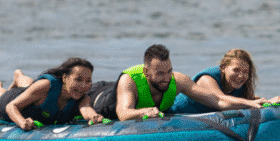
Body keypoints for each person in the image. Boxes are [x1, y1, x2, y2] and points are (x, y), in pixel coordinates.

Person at [87, 44, 267, 121]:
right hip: (101, 98)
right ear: (146, 72)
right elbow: (123, 113)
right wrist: (144, 111)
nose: (166, 78)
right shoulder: (130, 80)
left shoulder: (177, 80)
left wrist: (252, 103)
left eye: (168, 71)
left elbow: (217, 100)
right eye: (159, 74)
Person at [0, 58, 104, 130]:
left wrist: (94, 117)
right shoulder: (46, 86)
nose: (83, 86)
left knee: (29, 87)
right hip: (11, 101)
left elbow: (86, 110)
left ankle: (19, 76)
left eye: (88, 81)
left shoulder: (82, 97)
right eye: (78, 79)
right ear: (64, 78)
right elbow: (11, 106)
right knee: (2, 99)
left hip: (32, 93)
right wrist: (22, 122)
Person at [168, 48, 280, 115]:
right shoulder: (207, 79)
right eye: (236, 70)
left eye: (245, 72)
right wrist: (251, 103)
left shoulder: (240, 85)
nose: (241, 76)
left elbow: (249, 100)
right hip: (172, 115)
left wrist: (269, 102)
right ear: (223, 68)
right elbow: (221, 100)